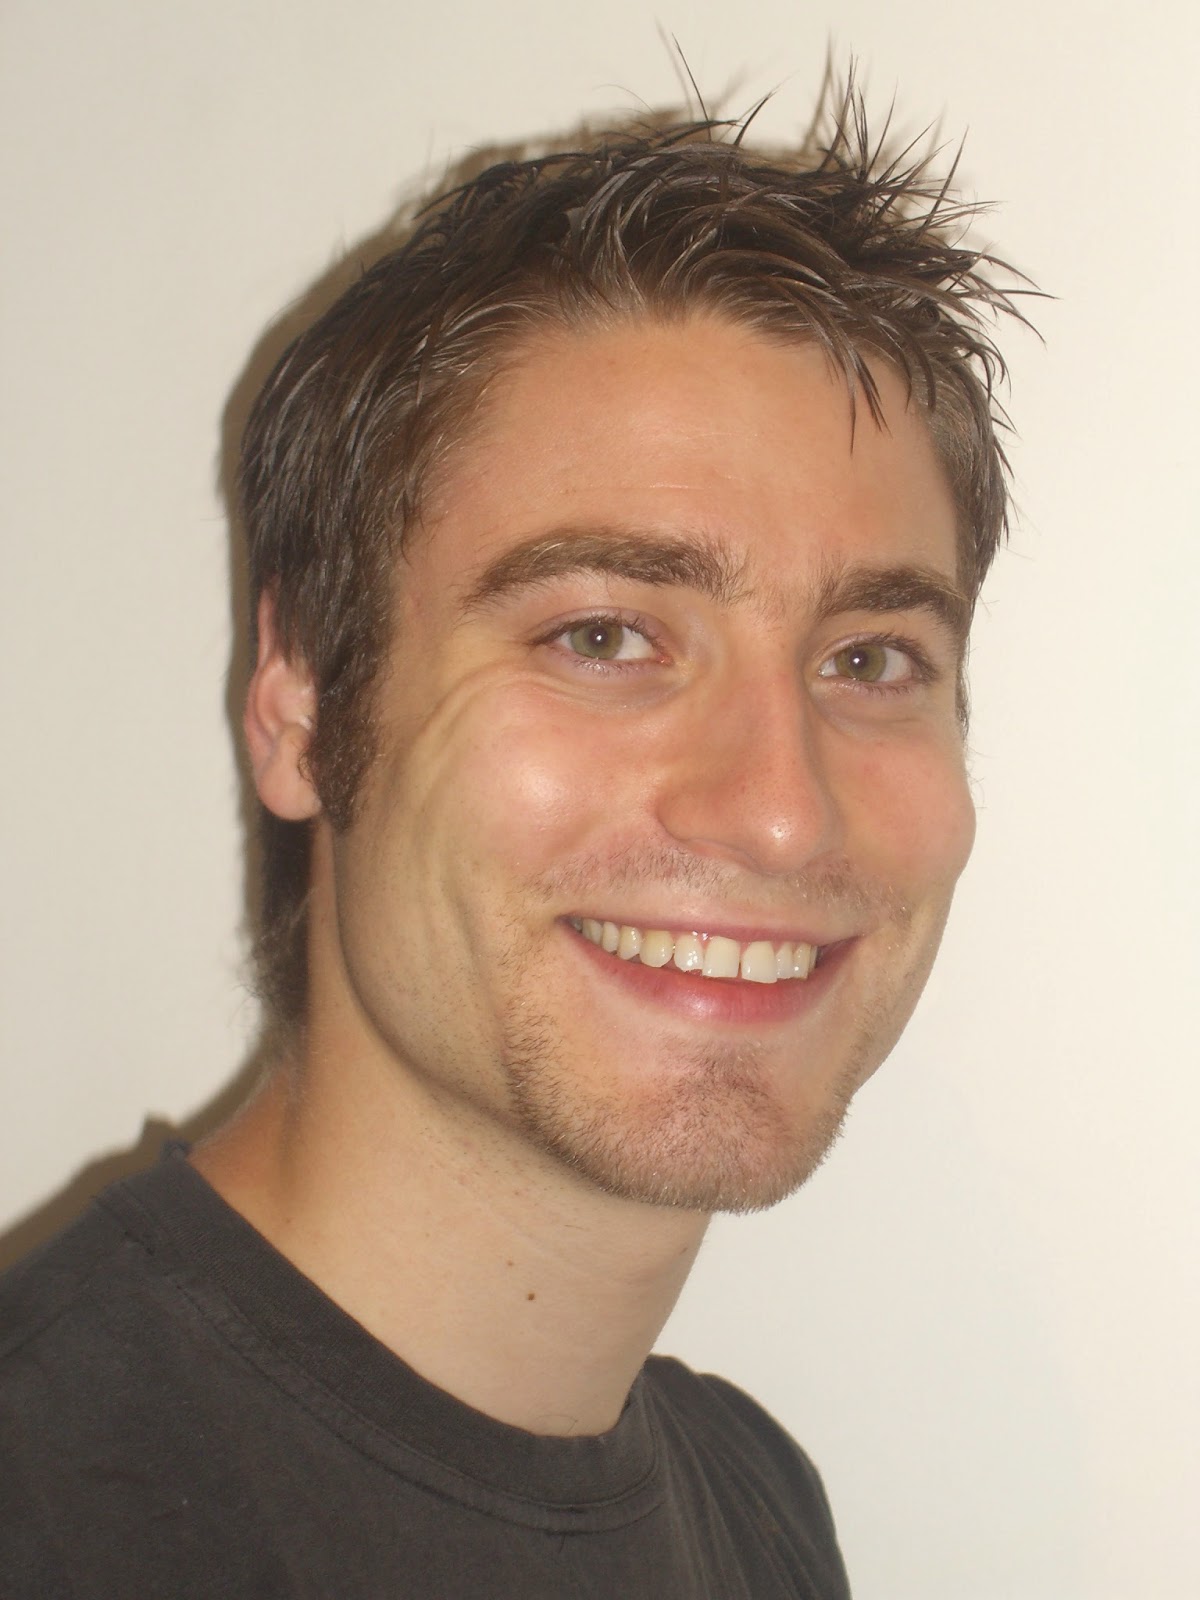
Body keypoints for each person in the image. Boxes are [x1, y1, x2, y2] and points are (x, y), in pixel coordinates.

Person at [0, 93, 1022, 1597]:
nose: (782, 810)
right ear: (298, 703)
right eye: (603, 635)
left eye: (870, 660)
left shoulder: (758, 1510)